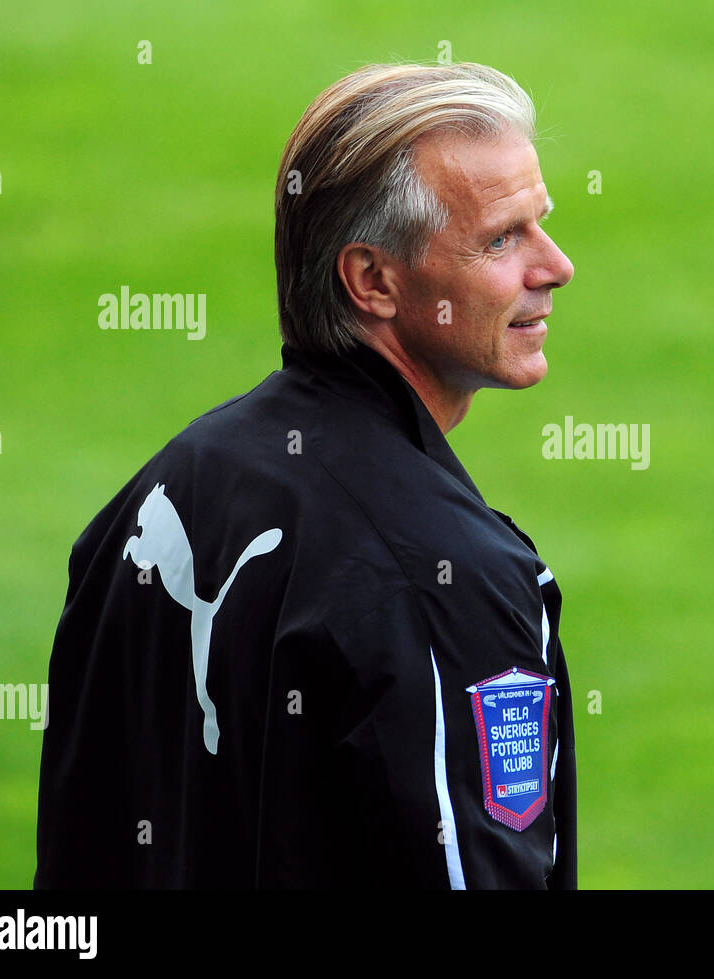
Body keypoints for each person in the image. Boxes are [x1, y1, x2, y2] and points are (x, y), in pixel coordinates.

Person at [34, 62, 577, 889]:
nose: (556, 265)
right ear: (373, 280)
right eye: (503, 238)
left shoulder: (153, 501)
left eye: (540, 225)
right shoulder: (448, 582)